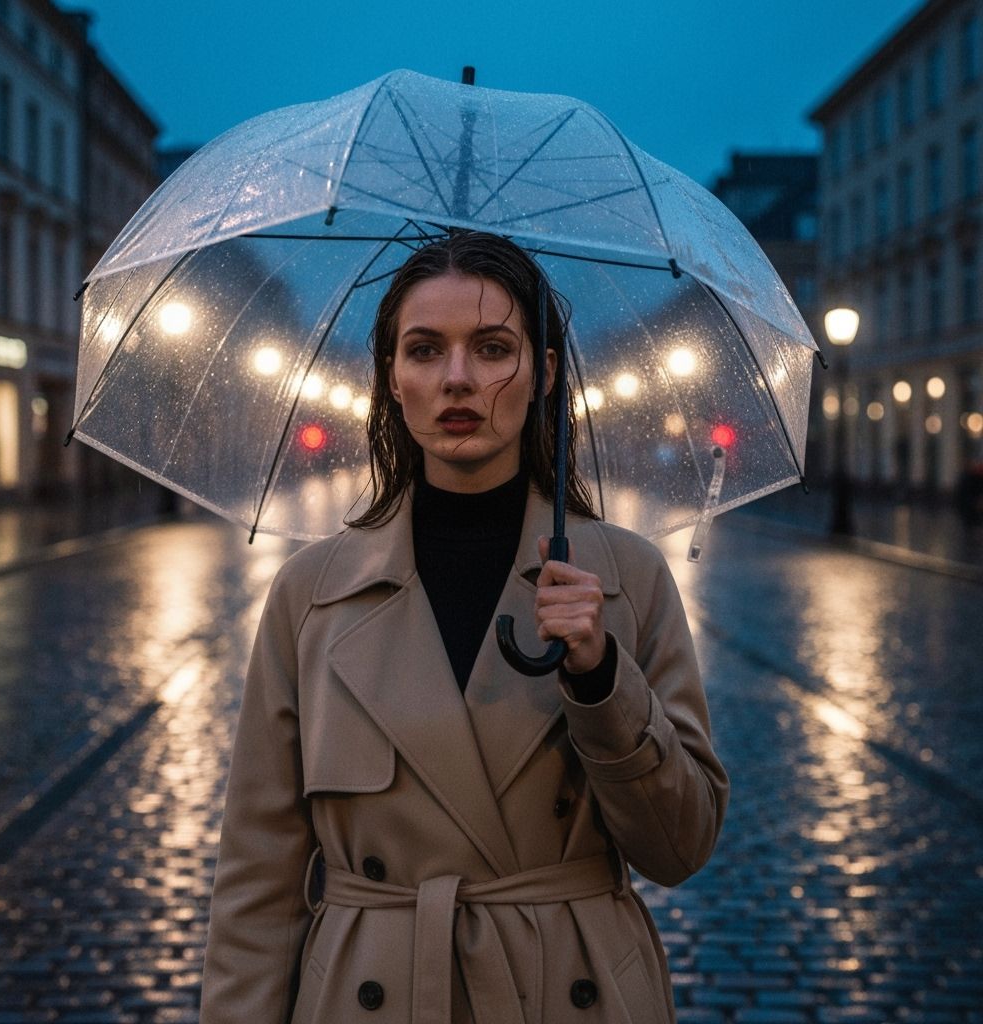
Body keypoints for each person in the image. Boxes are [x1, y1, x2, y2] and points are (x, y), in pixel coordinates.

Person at [199, 231, 729, 1024]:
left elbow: (680, 847)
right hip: (367, 994)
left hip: (570, 988)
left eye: (491, 348)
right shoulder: (309, 595)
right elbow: (257, 880)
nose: (457, 379)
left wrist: (600, 680)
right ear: (392, 377)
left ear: (544, 373)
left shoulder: (627, 578)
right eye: (424, 350)